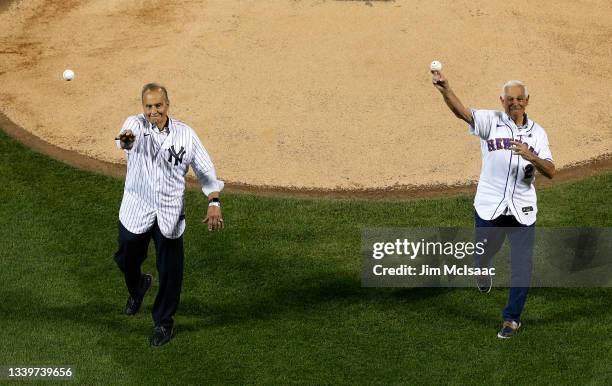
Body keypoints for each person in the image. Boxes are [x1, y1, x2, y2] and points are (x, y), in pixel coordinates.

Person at [432, 70, 555, 338]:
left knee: (523, 265)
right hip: (490, 204)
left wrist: (531, 155)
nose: (515, 103)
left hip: (522, 209)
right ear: (502, 101)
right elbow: (462, 113)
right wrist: (445, 90)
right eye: (509, 99)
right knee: (487, 248)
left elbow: (551, 171)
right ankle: (482, 264)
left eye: (519, 98)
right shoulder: (491, 121)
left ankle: (511, 319)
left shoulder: (538, 134)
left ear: (527, 100)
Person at [114, 83, 224, 347]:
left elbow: (205, 169)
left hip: (170, 212)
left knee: (171, 273)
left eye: (158, 105)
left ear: (167, 105)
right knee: (126, 259)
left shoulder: (186, 135)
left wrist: (214, 202)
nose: (153, 111)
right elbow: (125, 140)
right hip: (136, 208)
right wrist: (127, 139)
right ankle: (138, 286)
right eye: (149, 106)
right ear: (143, 107)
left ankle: (163, 323)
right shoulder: (135, 125)